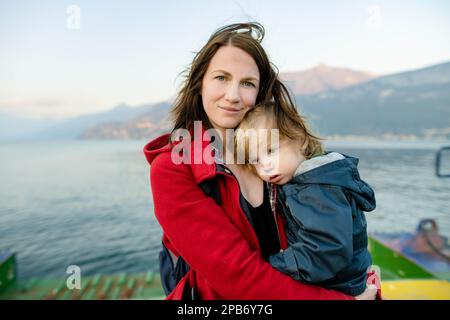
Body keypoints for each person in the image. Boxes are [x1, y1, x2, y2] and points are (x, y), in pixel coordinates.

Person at [143, 22, 378, 300]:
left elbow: (328, 226)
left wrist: (359, 271)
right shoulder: (172, 169)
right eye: (221, 78)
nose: (232, 95)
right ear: (199, 84)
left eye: (247, 83)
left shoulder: (277, 154)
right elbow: (239, 277)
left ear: (260, 92)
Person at [235, 101, 378, 297]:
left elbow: (326, 251)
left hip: (341, 287)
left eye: (270, 151)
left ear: (300, 139)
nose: (265, 166)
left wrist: (273, 266)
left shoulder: (316, 188)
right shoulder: (310, 180)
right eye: (256, 161)